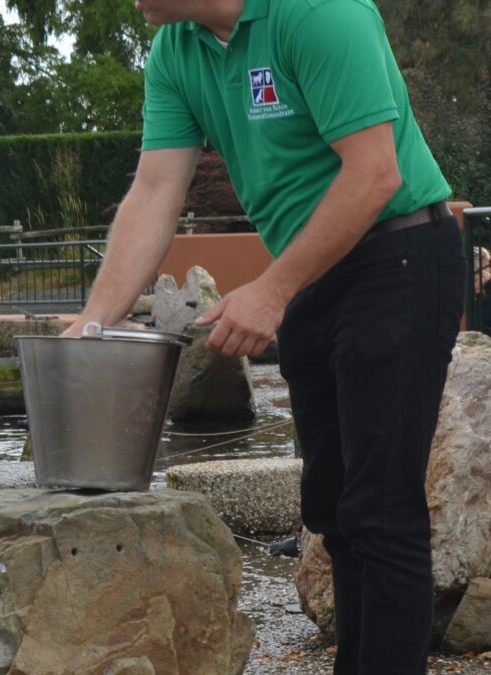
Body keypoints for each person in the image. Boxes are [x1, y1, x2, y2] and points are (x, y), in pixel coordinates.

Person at [64, 0, 466, 672]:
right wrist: (95, 320)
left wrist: (273, 289)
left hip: (399, 257)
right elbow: (156, 189)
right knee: (335, 508)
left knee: (381, 508)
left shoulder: (317, 13)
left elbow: (374, 174)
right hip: (311, 272)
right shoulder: (176, 52)